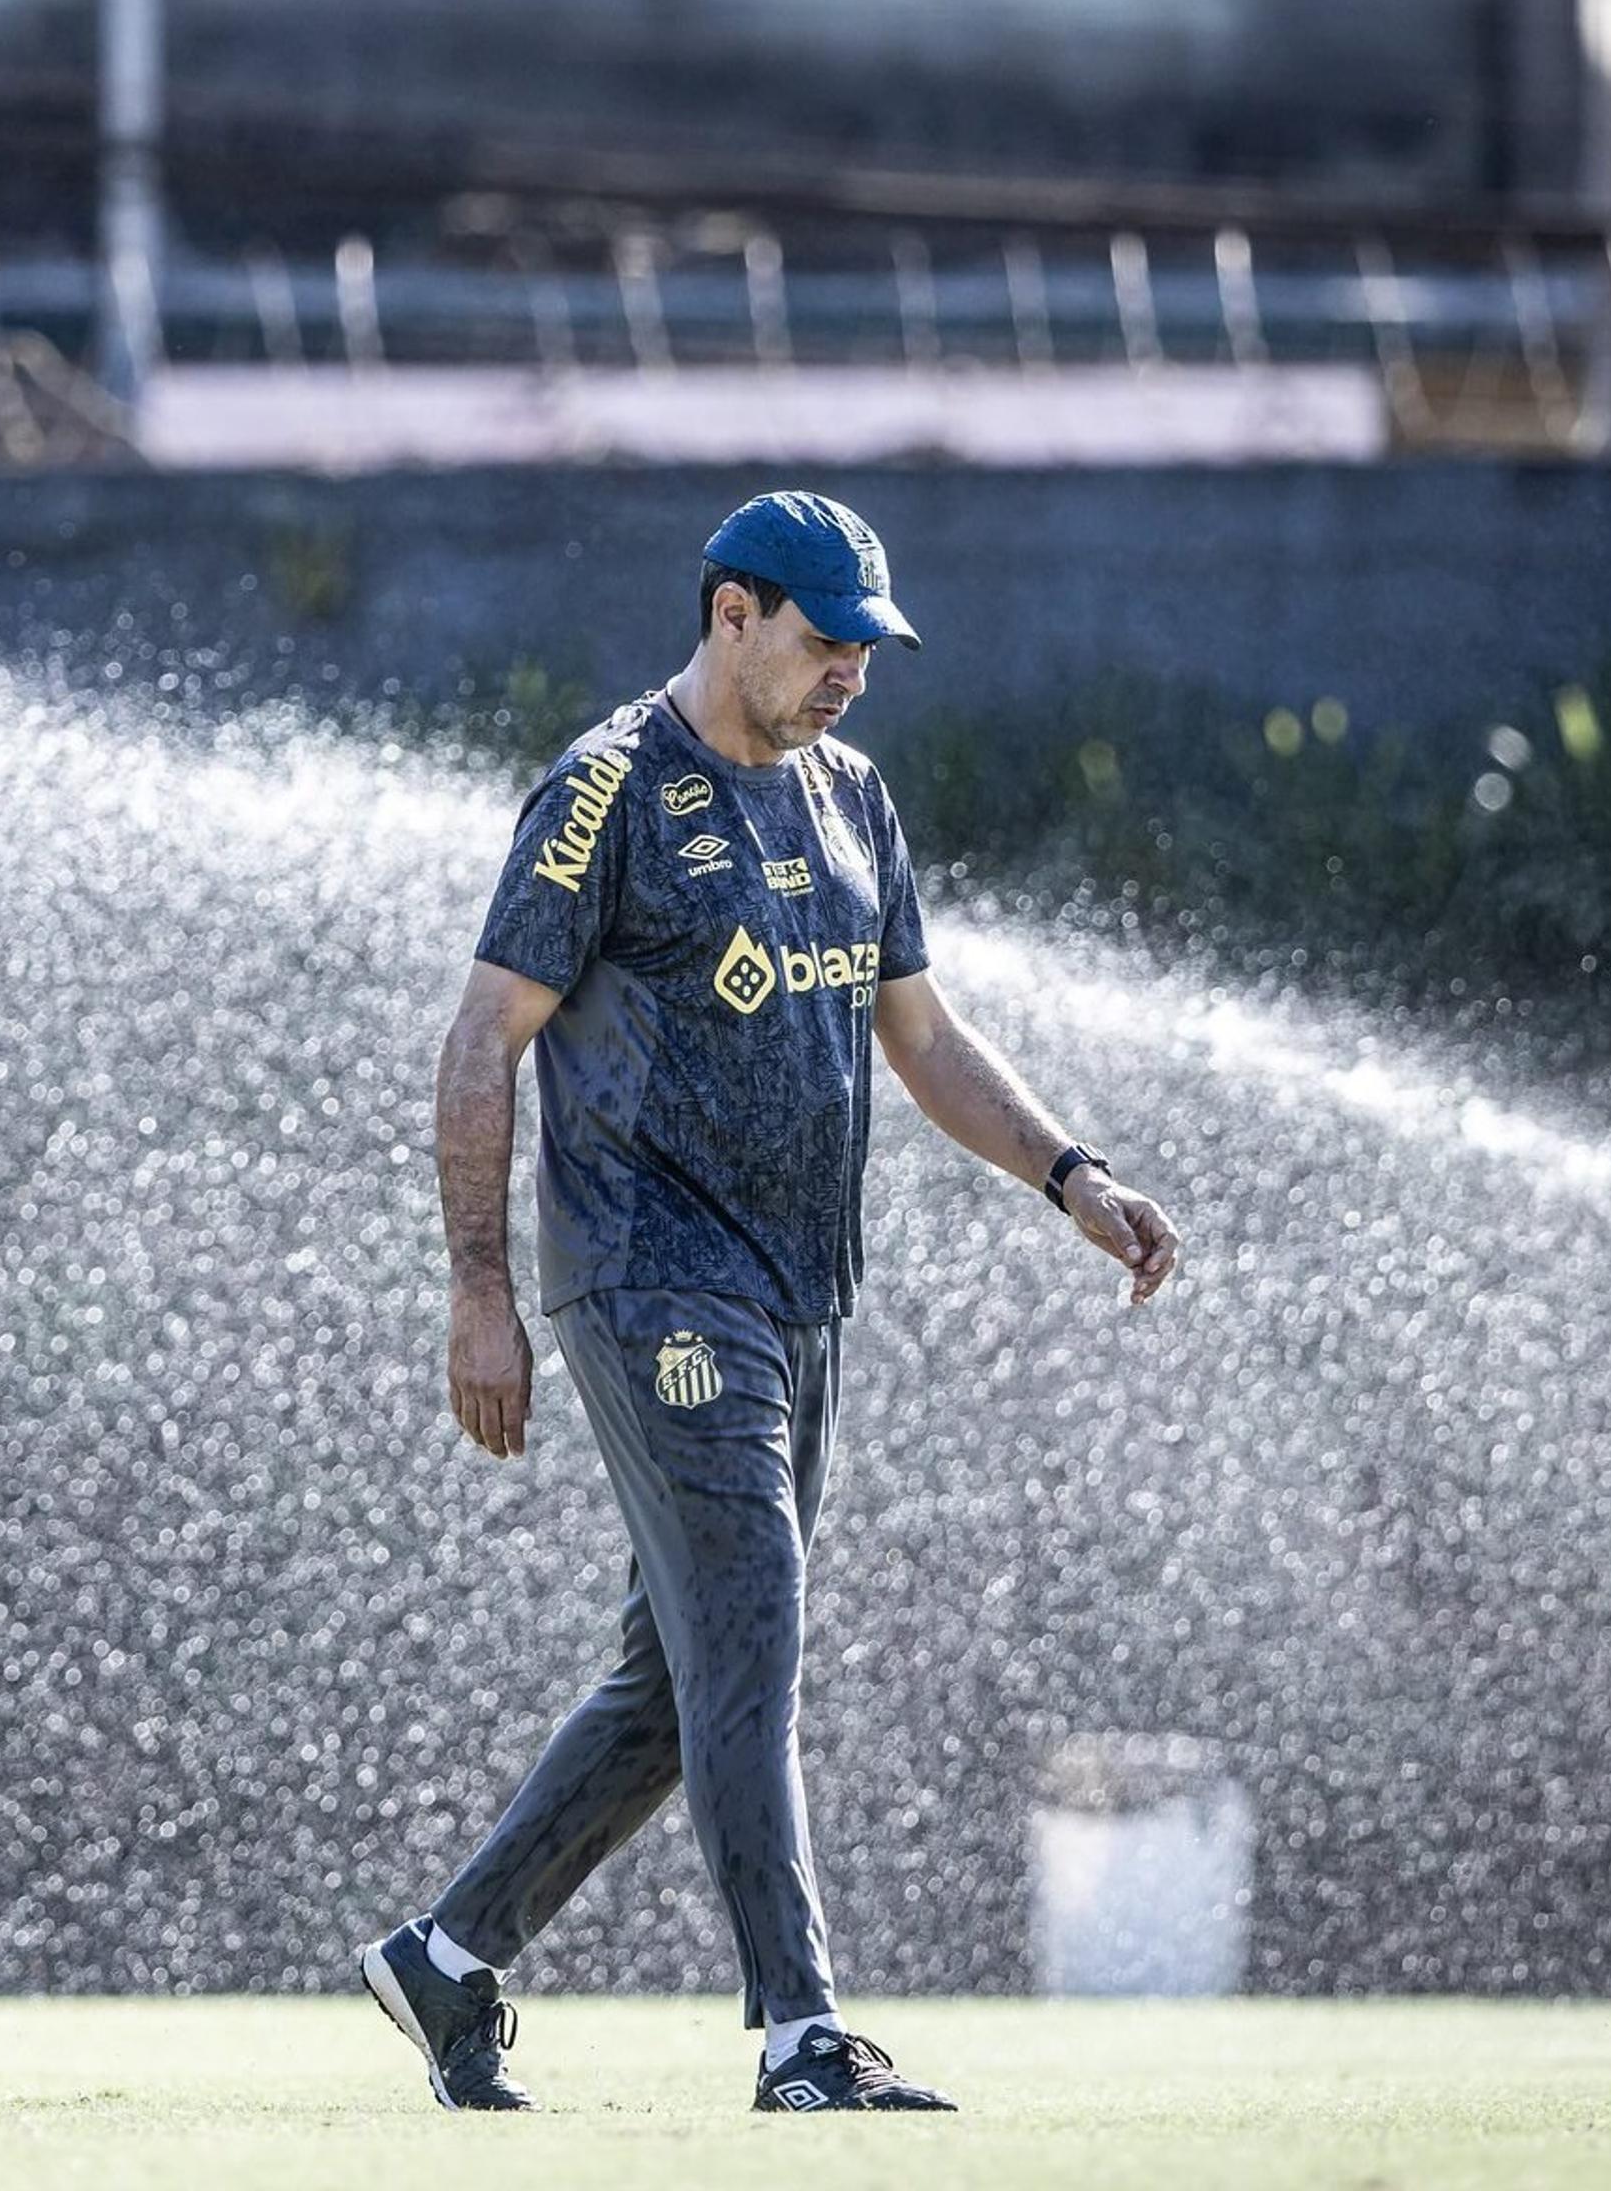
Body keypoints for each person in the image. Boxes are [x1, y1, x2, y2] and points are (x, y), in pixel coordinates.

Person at [359, 490, 1183, 2116]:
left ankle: (449, 1959)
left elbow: (926, 1040)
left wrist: (1071, 1175)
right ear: (731, 613)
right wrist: (479, 1295)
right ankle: (804, 2032)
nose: (851, 674)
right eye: (824, 641)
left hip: (800, 1295)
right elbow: (480, 1040)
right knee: (758, 1613)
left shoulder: (853, 798)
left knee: (684, 1679)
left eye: (870, 648)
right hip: (649, 1282)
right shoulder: (605, 793)